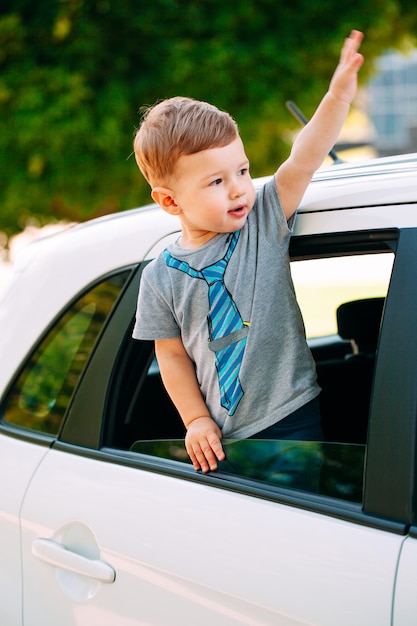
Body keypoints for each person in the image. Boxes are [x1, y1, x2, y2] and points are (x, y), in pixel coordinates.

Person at [132, 30, 364, 473]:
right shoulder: (160, 277)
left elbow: (304, 158)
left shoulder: (264, 219)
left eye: (242, 169)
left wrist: (336, 98)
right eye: (217, 181)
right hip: (221, 440)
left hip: (292, 418)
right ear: (170, 201)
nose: (239, 187)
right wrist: (196, 419)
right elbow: (172, 354)